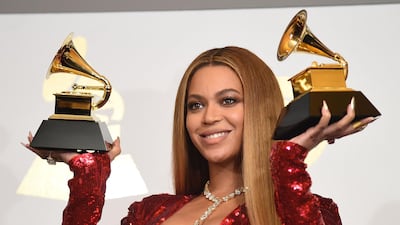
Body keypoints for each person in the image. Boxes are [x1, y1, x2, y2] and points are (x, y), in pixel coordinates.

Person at [23, 46, 375, 225]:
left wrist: (287, 159)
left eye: (228, 100)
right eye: (195, 105)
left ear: (261, 108)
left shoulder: (302, 211)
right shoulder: (150, 213)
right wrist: (89, 174)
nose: (209, 117)